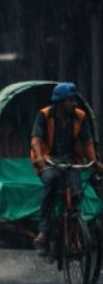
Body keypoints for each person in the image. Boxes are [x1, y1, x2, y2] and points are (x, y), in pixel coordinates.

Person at [30, 82, 101, 253]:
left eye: (74, 100)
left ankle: (76, 225)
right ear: (60, 102)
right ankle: (44, 230)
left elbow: (87, 142)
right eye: (71, 100)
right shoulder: (44, 115)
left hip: (71, 159)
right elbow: (36, 140)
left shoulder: (80, 117)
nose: (74, 103)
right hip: (48, 159)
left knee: (77, 190)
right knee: (52, 180)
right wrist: (40, 158)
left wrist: (94, 162)